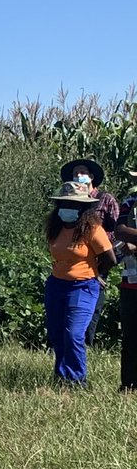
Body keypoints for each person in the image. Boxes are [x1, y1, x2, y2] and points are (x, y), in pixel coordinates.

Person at [43, 181, 116, 384]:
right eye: (65, 204)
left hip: (83, 286)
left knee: (74, 333)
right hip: (56, 285)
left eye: (74, 205)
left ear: (83, 208)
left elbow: (110, 258)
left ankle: (76, 380)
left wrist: (97, 273)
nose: (69, 209)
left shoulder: (92, 229)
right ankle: (61, 376)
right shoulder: (55, 227)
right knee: (57, 333)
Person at [61, 159, 121, 346]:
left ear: (92, 177)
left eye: (82, 172)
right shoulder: (70, 200)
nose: (78, 176)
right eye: (75, 173)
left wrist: (104, 265)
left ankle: (86, 347)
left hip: (101, 261)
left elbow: (118, 231)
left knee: (91, 309)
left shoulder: (106, 199)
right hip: (75, 262)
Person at [115, 170, 137, 390]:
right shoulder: (129, 203)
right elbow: (120, 231)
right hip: (131, 283)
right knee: (130, 337)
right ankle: (128, 384)